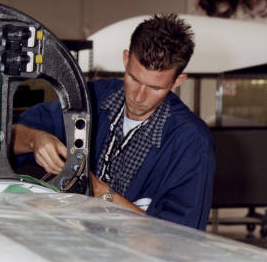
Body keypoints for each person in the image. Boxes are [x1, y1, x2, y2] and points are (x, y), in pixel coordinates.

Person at [12, 14, 215, 230]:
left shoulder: (191, 144)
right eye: (134, 79)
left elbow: (180, 238)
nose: (138, 96)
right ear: (126, 59)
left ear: (178, 81)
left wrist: (101, 193)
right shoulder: (93, 99)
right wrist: (35, 139)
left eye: (155, 88)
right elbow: (8, 138)